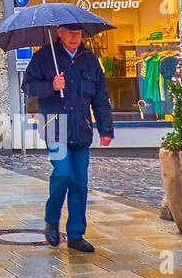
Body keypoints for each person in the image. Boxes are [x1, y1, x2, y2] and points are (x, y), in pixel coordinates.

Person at [22, 25, 114, 253]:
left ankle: (75, 234)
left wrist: (106, 129)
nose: (75, 37)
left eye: (78, 33)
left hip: (81, 128)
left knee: (79, 183)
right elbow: (28, 87)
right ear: (59, 33)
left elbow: (101, 97)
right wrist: (51, 86)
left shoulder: (90, 61)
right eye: (70, 33)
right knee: (63, 173)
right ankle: (51, 220)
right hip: (56, 127)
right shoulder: (44, 57)